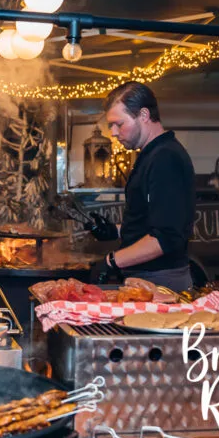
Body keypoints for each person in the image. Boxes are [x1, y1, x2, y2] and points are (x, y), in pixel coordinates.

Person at [89, 81, 196, 291]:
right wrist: (116, 230)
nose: (113, 132)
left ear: (144, 115)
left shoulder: (165, 158)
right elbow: (153, 222)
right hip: (145, 278)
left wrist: (112, 261)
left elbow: (165, 237)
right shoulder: (150, 155)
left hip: (161, 282)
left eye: (118, 124)